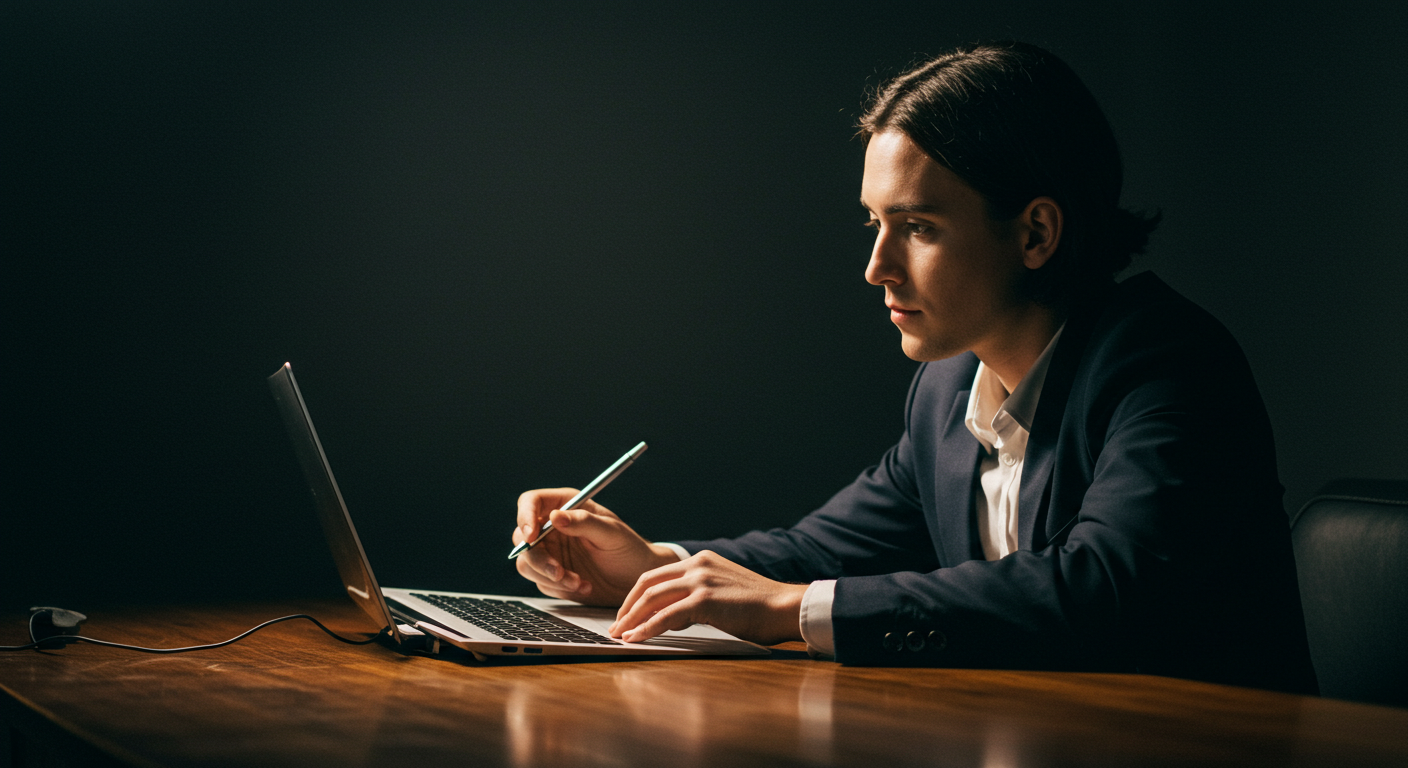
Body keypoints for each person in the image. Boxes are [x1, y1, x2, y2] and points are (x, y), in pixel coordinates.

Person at [510, 41, 1317, 694]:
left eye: (917, 227)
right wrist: (654, 568)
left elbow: (1103, 587)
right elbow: (822, 553)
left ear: (1036, 233)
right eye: (874, 223)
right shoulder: (945, 392)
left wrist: (792, 610)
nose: (876, 267)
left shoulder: (1167, 364)